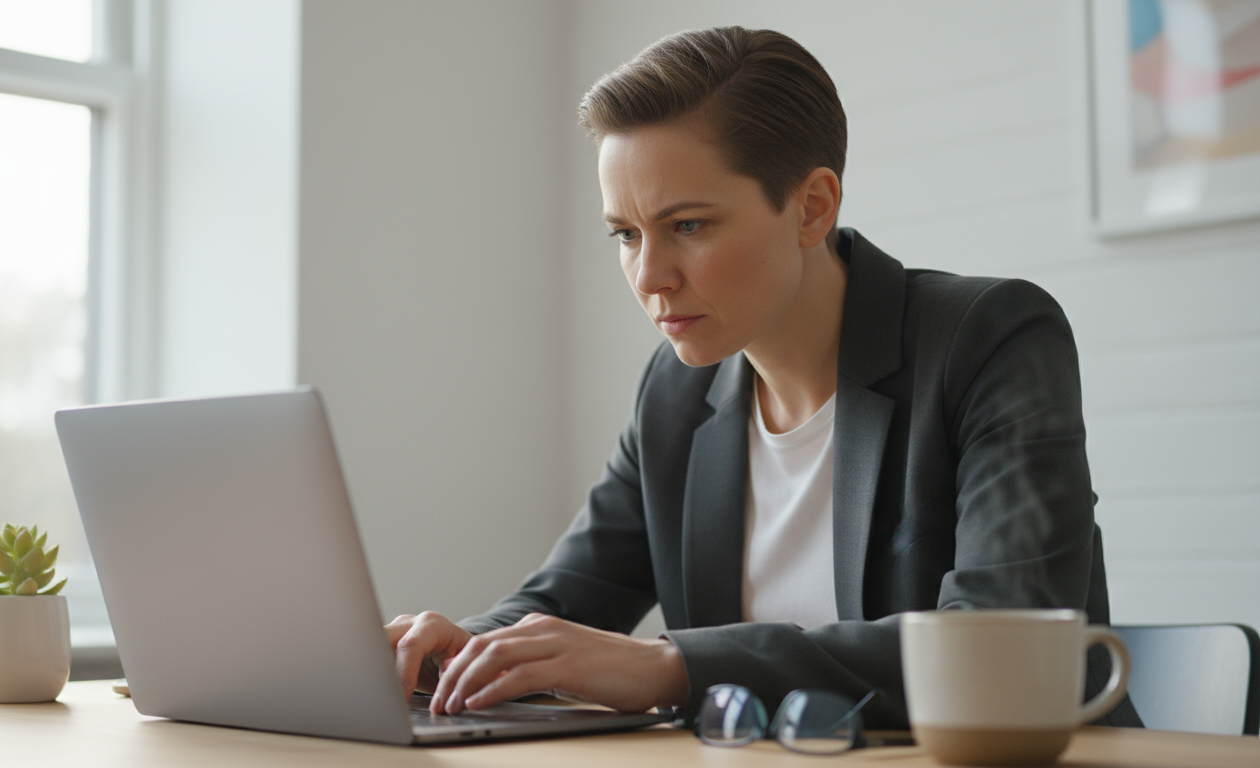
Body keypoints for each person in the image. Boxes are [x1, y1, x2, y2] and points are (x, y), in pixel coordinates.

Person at [384, 26, 1140, 729]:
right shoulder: (677, 392)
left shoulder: (989, 338)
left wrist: (673, 666)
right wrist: (448, 651)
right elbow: (563, 599)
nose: (650, 277)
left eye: (688, 226)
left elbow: (999, 649)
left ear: (811, 208)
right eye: (625, 234)